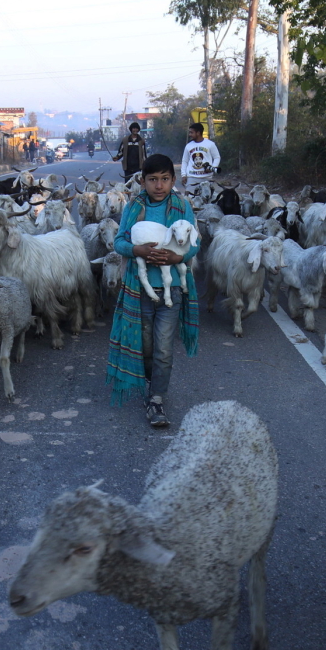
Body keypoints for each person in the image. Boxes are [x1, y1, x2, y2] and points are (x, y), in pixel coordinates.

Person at [108, 153, 199, 427]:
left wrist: (177, 257)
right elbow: (120, 241)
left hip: (172, 294)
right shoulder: (133, 207)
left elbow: (194, 243)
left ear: (172, 180)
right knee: (146, 347)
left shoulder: (183, 206)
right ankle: (150, 379)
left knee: (164, 349)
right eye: (152, 180)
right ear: (143, 181)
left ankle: (156, 399)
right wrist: (136, 250)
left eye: (164, 179)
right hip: (140, 290)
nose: (159, 185)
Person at [181, 121, 220, 187]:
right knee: (189, 197)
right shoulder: (188, 146)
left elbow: (217, 157)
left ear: (198, 133)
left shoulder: (210, 144)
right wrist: (184, 175)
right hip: (191, 177)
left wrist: (212, 168)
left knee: (206, 197)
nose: (189, 134)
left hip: (206, 178)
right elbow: (185, 161)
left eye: (191, 132)